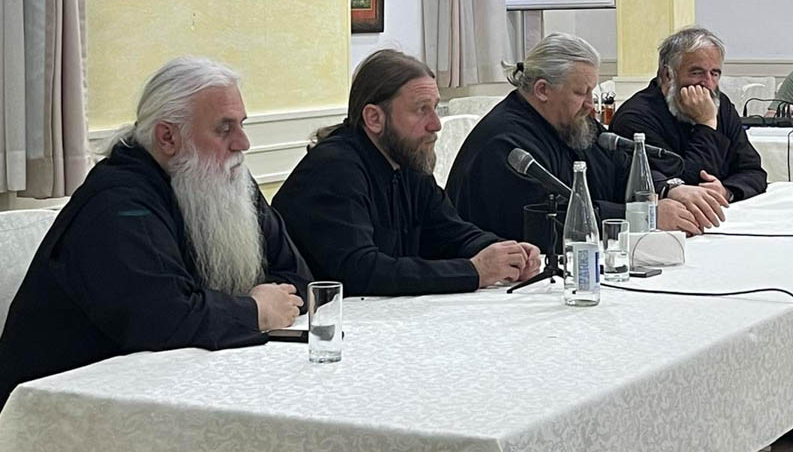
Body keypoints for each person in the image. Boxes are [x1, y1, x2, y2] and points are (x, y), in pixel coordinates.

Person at [0, 57, 310, 415]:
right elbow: (166, 320)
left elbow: (296, 276)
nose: (243, 143)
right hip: (60, 411)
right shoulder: (117, 204)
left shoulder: (225, 179)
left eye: (241, 125)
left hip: (167, 391)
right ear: (167, 137)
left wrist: (253, 307)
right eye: (224, 129)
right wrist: (255, 311)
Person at [273, 50, 541, 295]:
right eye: (421, 110)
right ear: (374, 118)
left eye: (435, 108)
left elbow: (450, 232)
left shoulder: (407, 161)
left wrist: (506, 252)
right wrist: (474, 272)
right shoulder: (333, 169)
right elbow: (362, 271)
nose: (435, 124)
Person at [446, 33, 701, 241]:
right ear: (542, 90)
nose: (591, 105)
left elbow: (621, 169)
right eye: (581, 92)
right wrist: (641, 217)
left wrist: (667, 190)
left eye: (592, 92)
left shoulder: (574, 122)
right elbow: (547, 222)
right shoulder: (505, 143)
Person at [611, 26, 767, 229]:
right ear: (668, 75)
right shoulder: (635, 118)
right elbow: (683, 186)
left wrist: (726, 191)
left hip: (724, 220)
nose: (708, 83)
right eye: (697, 73)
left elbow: (754, 171)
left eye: (715, 74)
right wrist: (706, 124)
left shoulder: (721, 106)